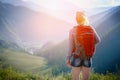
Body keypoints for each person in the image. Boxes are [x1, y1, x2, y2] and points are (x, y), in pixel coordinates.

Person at [66, 11, 100, 80]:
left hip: (77, 56)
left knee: (75, 78)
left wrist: (68, 58)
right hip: (87, 56)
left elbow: (71, 46)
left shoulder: (72, 30)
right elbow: (98, 40)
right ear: (84, 18)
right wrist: (88, 45)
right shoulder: (91, 29)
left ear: (76, 19)